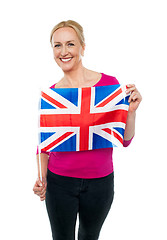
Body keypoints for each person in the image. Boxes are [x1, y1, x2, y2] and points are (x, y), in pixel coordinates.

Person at [33, 20, 142, 240]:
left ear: (83, 47)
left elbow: (125, 139)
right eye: (57, 45)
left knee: (89, 236)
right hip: (59, 182)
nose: (64, 51)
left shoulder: (109, 86)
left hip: (100, 183)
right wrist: (41, 178)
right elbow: (44, 143)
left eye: (70, 44)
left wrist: (130, 112)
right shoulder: (52, 95)